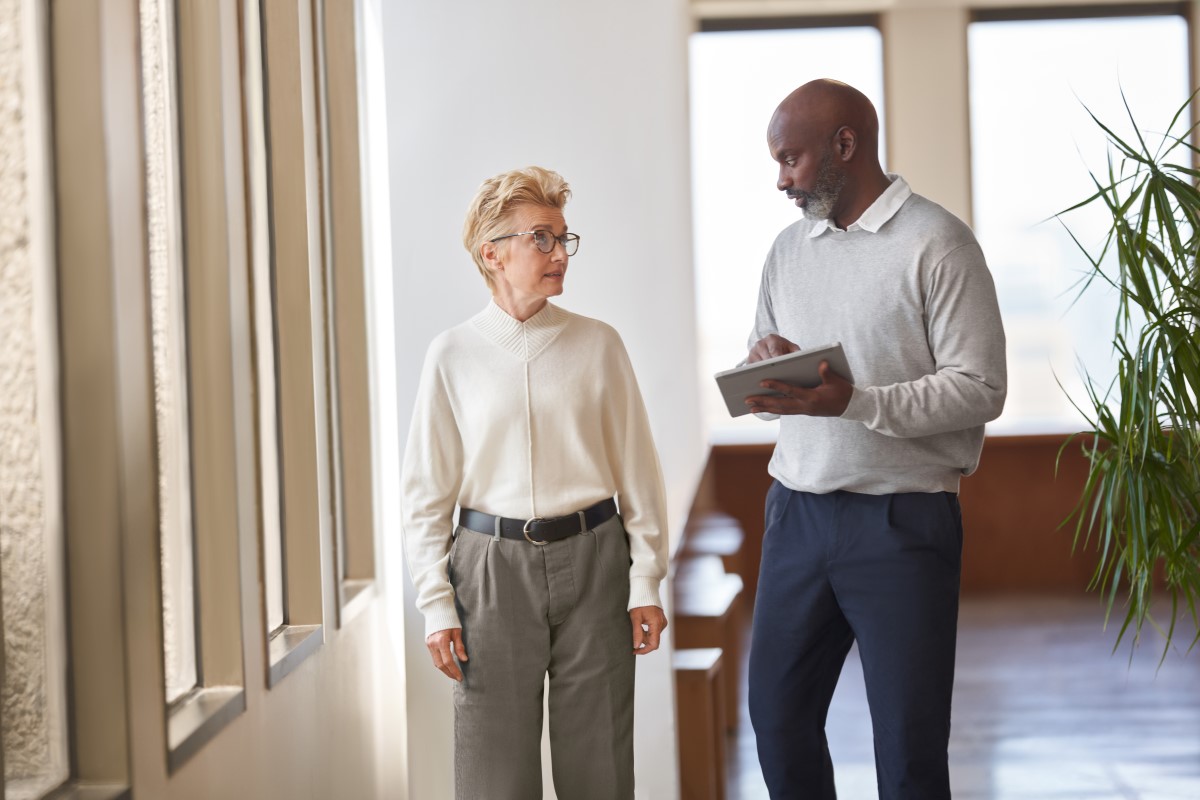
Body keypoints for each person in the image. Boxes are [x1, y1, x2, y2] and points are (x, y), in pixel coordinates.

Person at [741, 79, 1007, 799]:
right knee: (777, 717)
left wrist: (855, 402)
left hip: (902, 519)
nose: (781, 180)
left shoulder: (939, 243)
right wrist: (767, 368)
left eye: (790, 159)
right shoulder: (787, 251)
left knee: (908, 748)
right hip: (795, 513)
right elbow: (769, 397)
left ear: (845, 146)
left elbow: (982, 390)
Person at [400, 166, 669, 800]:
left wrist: (645, 579)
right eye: (541, 239)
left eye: (563, 239)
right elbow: (426, 494)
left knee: (598, 768)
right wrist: (437, 604)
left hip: (596, 559)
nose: (558, 254)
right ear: (491, 253)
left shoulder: (599, 345)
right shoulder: (452, 354)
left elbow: (639, 470)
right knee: (493, 775)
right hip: (489, 573)